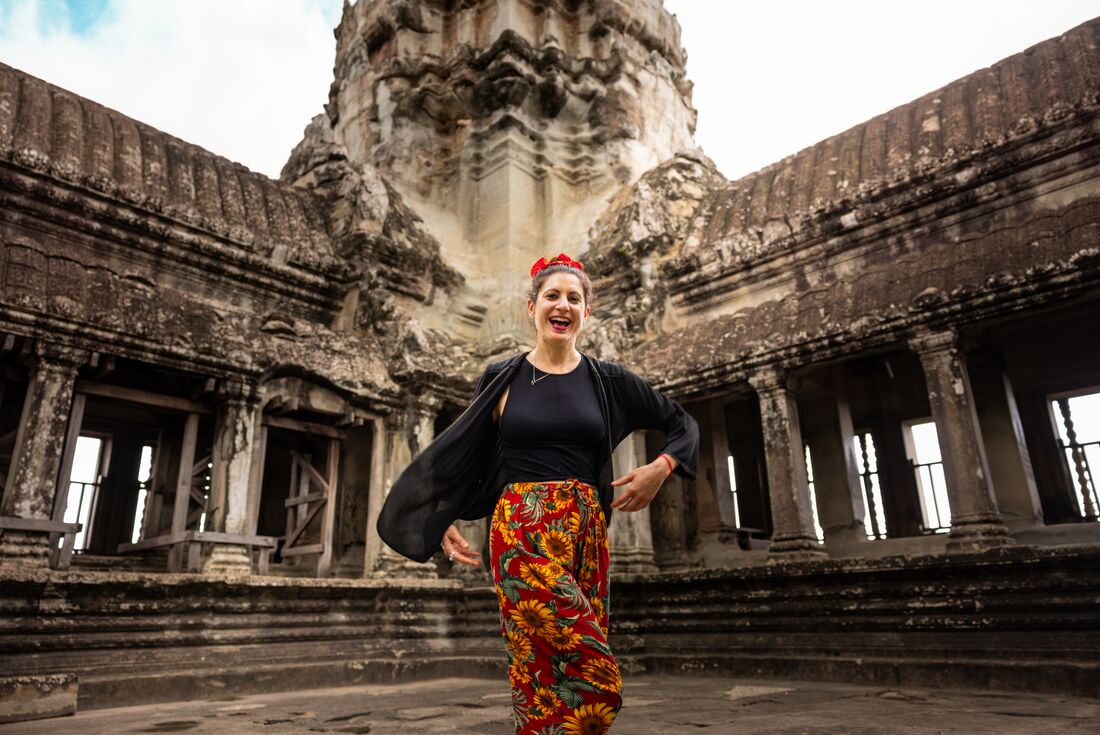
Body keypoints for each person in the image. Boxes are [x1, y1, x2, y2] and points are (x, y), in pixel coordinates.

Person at [377, 252, 699, 734]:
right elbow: (465, 457)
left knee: (550, 675)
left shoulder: (606, 380)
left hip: (587, 532)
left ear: (586, 312)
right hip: (521, 529)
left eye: (574, 298)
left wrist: (661, 466)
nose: (563, 305)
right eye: (552, 296)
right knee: (594, 675)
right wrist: (439, 517)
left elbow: (682, 424)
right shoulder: (503, 378)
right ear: (532, 307)